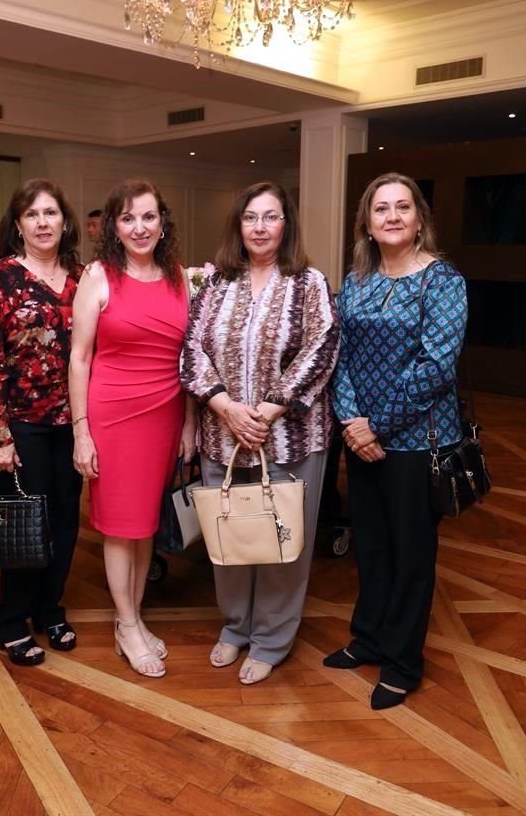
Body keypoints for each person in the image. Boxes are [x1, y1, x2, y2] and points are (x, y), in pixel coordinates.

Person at [181, 181, 340, 685]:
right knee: (229, 532)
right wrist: (226, 407)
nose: (260, 227)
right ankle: (235, 628)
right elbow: (191, 350)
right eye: (251, 217)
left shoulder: (308, 282)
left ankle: (272, 638)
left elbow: (323, 346)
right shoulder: (215, 285)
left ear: (286, 224)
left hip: (290, 436)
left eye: (271, 217)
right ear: (239, 225)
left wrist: (270, 409)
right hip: (223, 434)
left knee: (280, 538)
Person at [328, 172, 467, 710]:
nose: (391, 216)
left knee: (411, 554)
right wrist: (350, 421)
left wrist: (374, 425)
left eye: (402, 207)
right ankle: (369, 638)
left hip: (416, 442)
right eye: (380, 208)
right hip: (361, 437)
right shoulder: (357, 281)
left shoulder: (442, 281)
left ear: (418, 218)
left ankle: (403, 662)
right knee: (372, 544)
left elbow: (436, 368)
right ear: (366, 221)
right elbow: (339, 359)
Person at [69, 179, 195, 679]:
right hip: (113, 415)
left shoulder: (180, 276)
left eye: (148, 217)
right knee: (121, 529)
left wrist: (189, 422)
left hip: (164, 415)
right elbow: (79, 359)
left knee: (143, 525)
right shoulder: (99, 276)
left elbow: (190, 359)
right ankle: (125, 624)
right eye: (128, 219)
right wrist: (82, 431)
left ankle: (134, 618)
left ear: (163, 222)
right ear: (114, 228)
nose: (139, 227)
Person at [0, 178, 83, 667]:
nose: (42, 222)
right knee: (24, 524)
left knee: (65, 520)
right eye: (32, 214)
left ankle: (48, 608)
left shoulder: (82, 277)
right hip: (19, 425)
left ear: (64, 221)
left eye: (50, 213)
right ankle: (11, 619)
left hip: (73, 420)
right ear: (17, 224)